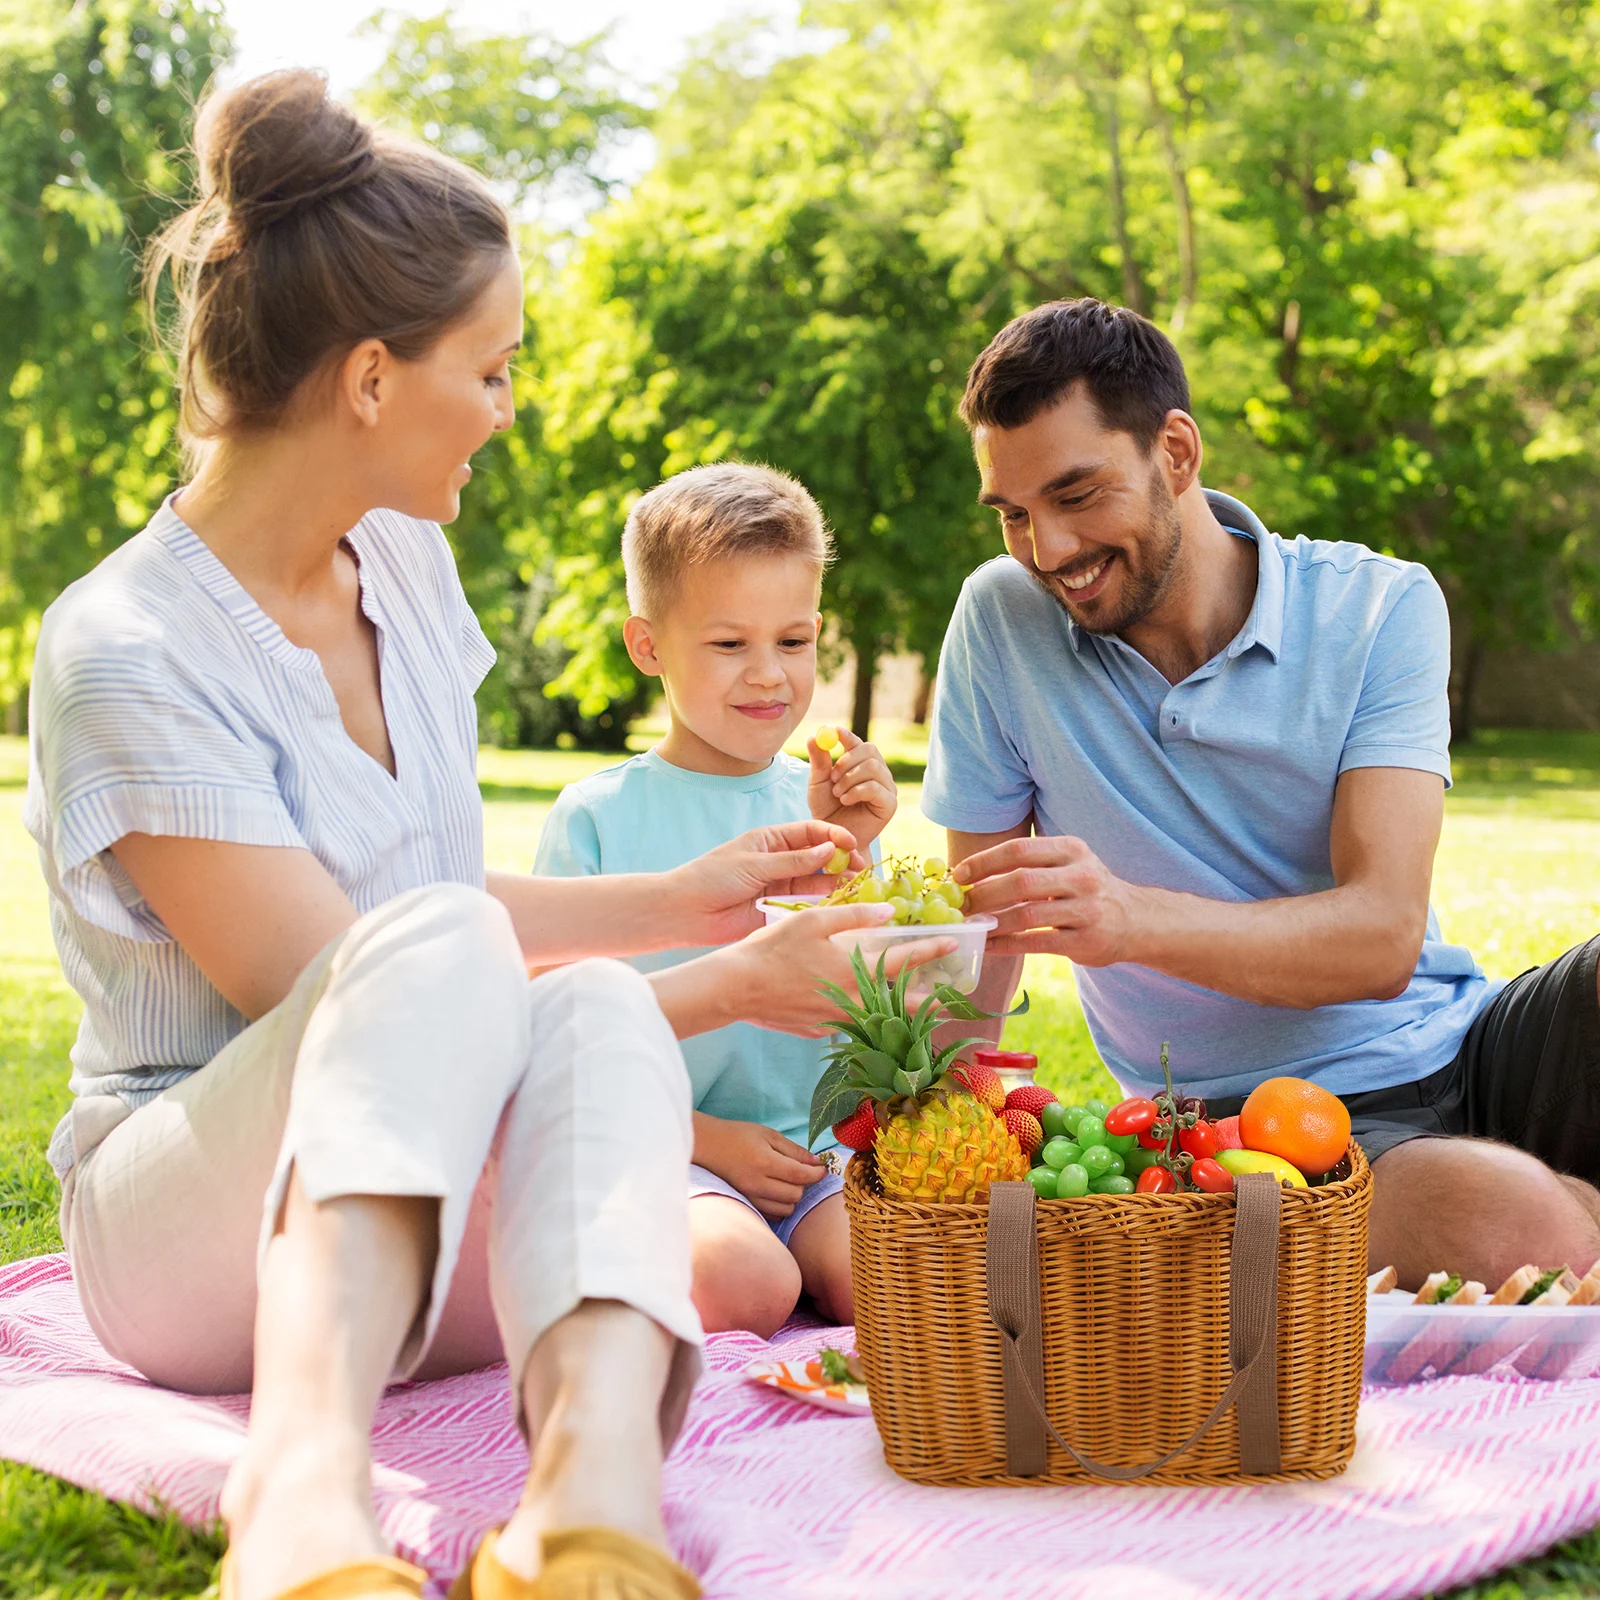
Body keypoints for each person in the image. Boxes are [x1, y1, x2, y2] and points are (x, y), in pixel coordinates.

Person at [23, 72, 946, 1600]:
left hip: (424, 1184)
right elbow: (367, 997)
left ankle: (589, 1502)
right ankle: (300, 1492)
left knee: (579, 996)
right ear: (373, 380)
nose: (511, 413)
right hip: (185, 1223)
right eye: (496, 369)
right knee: (484, 966)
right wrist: (722, 979)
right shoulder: (125, 646)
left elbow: (431, 920)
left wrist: (689, 898)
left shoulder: (405, 563)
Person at [923, 297, 1600, 1292]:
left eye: (1076, 493)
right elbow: (978, 942)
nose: (1048, 548)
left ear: (1177, 453)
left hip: (1473, 1041)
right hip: (1263, 1123)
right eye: (1014, 513)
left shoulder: (1380, 604)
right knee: (1512, 1224)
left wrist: (1128, 918)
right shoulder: (1000, 621)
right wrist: (929, 1139)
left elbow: (1379, 939)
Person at [535, 463, 895, 1337]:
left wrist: (861, 850)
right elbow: (553, 1036)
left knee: (884, 1287)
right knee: (748, 1285)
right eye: (730, 645)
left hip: (810, 1158)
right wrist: (704, 1137)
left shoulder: (817, 809)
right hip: (663, 1146)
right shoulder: (597, 818)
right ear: (648, 645)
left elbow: (875, 1013)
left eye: (795, 641)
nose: (769, 677)